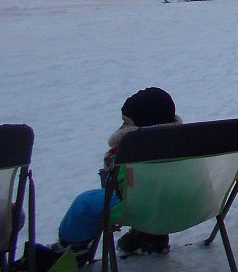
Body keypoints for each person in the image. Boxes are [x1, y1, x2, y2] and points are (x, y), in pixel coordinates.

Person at [55, 87, 181, 262]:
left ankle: (72, 248)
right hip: (190, 202)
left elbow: (123, 188)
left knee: (84, 203)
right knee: (157, 189)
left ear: (140, 125)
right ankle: (150, 236)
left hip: (145, 206)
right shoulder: (184, 141)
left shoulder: (131, 149)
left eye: (126, 122)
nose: (122, 127)